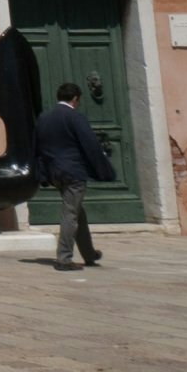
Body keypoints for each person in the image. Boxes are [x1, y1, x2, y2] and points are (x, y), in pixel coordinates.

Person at [34, 81, 115, 272]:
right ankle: (64, 258)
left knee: (78, 212)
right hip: (73, 172)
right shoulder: (75, 117)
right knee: (70, 213)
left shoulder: (44, 118)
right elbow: (90, 145)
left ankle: (89, 254)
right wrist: (104, 171)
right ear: (75, 99)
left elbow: (37, 147)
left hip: (55, 172)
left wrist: (43, 173)